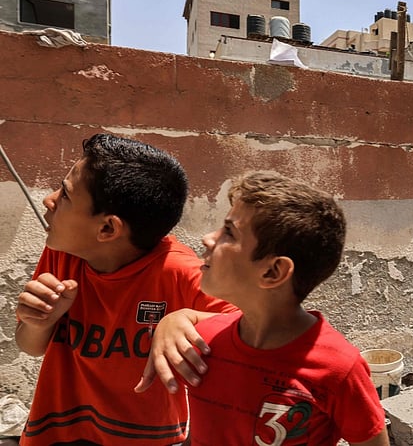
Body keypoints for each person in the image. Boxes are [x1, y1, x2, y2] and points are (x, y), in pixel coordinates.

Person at [134, 171, 389, 446]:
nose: (209, 238)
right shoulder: (202, 343)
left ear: (273, 272)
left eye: (229, 232)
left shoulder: (340, 369)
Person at [14, 133, 236, 446]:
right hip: (56, 434)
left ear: (107, 228)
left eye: (65, 194)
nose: (48, 200)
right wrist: (39, 321)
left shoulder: (178, 272)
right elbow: (30, 345)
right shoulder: (63, 252)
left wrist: (186, 318)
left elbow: (255, 330)